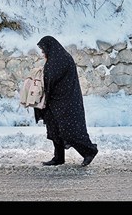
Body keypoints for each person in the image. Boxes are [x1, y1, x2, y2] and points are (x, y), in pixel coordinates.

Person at [34, 35, 98, 167]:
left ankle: (89, 151)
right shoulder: (55, 59)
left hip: (67, 102)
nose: (42, 52)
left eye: (43, 49)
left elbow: (50, 78)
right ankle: (58, 157)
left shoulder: (61, 60)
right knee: (54, 128)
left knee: (70, 130)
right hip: (55, 102)